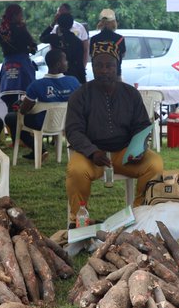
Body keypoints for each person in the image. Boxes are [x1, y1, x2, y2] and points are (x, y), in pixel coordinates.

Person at [64, 47, 164, 227]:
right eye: (99, 66)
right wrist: (92, 151)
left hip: (124, 154)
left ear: (117, 67)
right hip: (91, 155)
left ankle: (139, 215)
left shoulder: (130, 93)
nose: (104, 70)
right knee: (76, 171)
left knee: (154, 164)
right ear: (92, 68)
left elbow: (141, 125)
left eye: (109, 66)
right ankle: (78, 220)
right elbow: (73, 131)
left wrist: (138, 148)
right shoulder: (80, 95)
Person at [5, 49, 81, 156]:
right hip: (64, 122)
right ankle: (38, 151)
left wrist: (22, 104)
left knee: (12, 118)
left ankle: (38, 149)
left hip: (42, 123)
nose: (67, 62)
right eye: (66, 60)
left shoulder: (37, 85)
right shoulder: (74, 82)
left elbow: (24, 110)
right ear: (59, 64)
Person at [0, 3, 39, 112]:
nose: (22, 17)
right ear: (15, 15)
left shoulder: (0, 31)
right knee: (25, 102)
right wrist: (30, 48)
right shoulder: (20, 29)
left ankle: (11, 125)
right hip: (22, 67)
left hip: (7, 67)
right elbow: (33, 46)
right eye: (20, 14)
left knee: (10, 106)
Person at [40, 12, 86, 83]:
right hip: (73, 76)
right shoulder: (77, 42)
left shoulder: (54, 38)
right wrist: (83, 81)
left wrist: (52, 24)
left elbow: (42, 38)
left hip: (56, 75)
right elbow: (80, 63)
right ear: (71, 25)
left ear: (58, 24)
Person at [88, 8, 126, 73]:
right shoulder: (120, 38)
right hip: (115, 74)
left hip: (98, 74)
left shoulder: (94, 39)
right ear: (114, 21)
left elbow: (91, 55)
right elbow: (122, 54)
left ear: (101, 22)